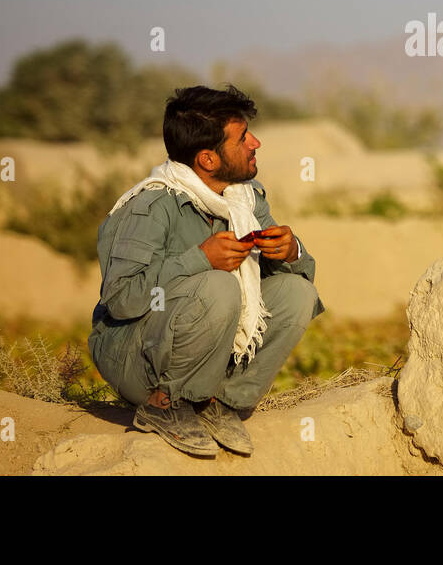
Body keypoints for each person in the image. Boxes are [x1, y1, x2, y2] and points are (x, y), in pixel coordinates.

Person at [87, 84, 324, 457]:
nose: (256, 143)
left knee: (299, 293)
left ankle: (219, 402)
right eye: (243, 137)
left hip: (209, 353)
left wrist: (289, 252)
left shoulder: (244, 198)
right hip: (134, 356)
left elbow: (295, 279)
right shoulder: (151, 205)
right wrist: (199, 259)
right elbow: (120, 300)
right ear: (208, 160)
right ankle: (163, 405)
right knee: (218, 286)